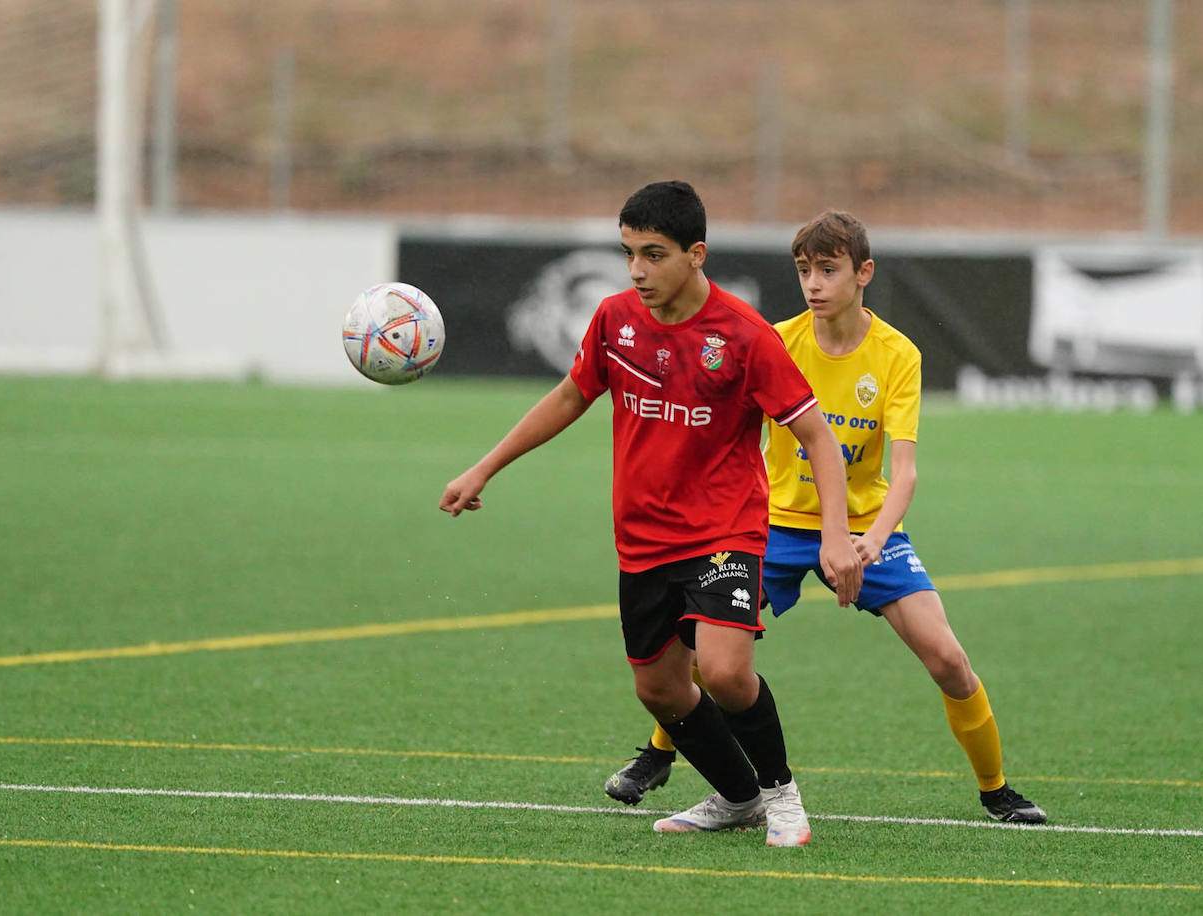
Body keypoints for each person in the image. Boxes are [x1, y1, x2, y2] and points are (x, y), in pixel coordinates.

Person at [440, 181, 864, 847]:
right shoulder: (614, 320)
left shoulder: (744, 336)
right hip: (641, 539)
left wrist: (835, 537)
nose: (637, 270)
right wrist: (483, 467)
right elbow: (569, 397)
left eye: (654, 254)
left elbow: (817, 437)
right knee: (661, 692)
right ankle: (737, 797)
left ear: (696, 255)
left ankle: (783, 797)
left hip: (726, 529)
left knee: (724, 672)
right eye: (628, 253)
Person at [604, 209, 1047, 825]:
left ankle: (995, 789)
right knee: (704, 653)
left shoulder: (897, 355)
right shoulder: (773, 337)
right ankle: (660, 753)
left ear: (863, 273)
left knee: (947, 657)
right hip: (773, 523)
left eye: (828, 270)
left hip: (867, 528)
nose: (813, 284)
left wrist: (871, 541)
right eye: (804, 270)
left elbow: (907, 470)